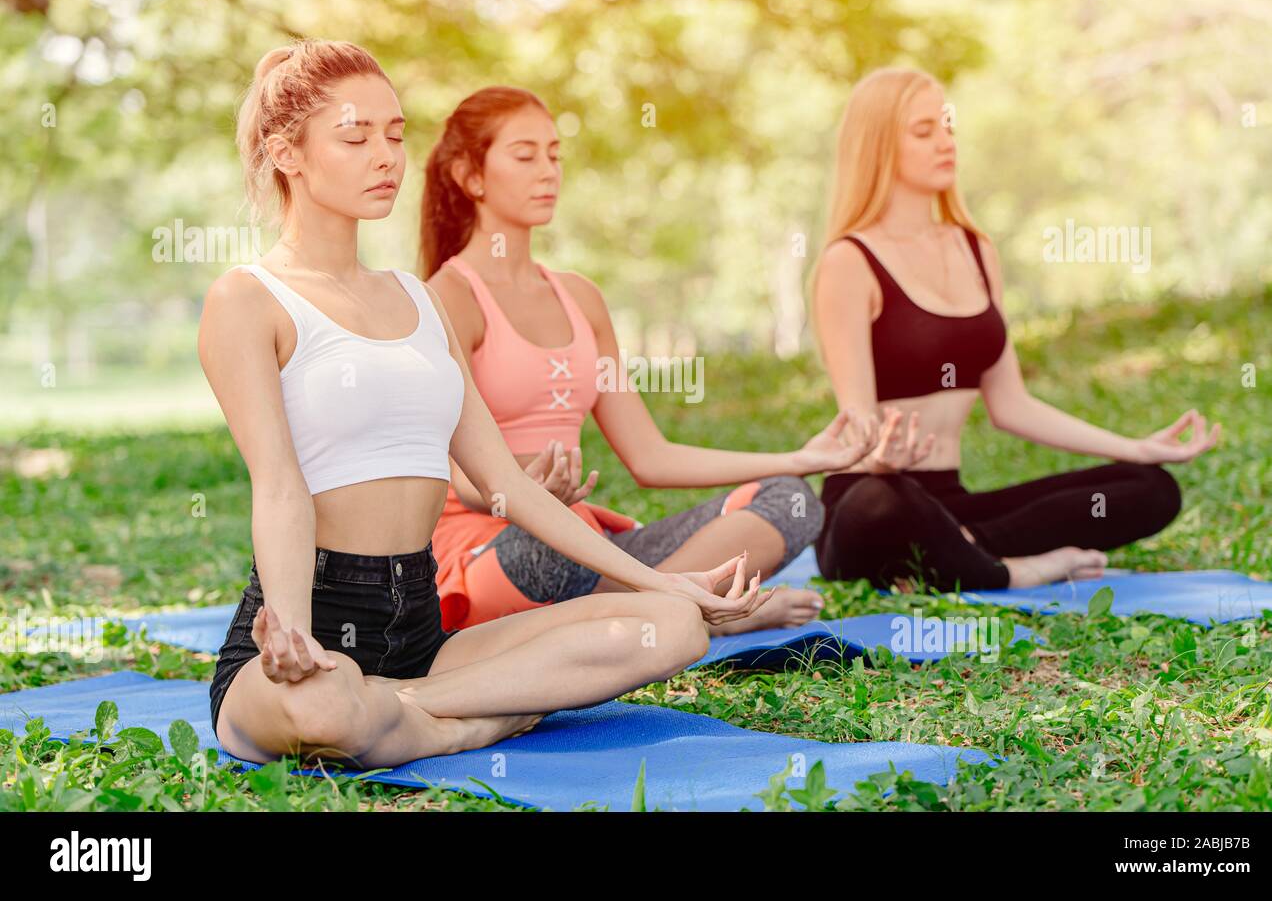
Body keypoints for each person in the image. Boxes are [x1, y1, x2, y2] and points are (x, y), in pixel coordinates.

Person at [201, 39, 779, 769]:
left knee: (671, 627)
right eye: (355, 137)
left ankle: (415, 715)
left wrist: (659, 579)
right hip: (317, 618)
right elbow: (280, 486)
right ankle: (479, 714)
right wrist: (289, 632)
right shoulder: (248, 300)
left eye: (395, 134)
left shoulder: (420, 299)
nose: (386, 156)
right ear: (287, 154)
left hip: (420, 628)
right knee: (327, 701)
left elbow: (506, 485)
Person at [420, 87, 875, 635]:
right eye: (525, 155)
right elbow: (458, 479)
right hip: (494, 551)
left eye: (555, 154)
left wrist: (799, 458)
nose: (548, 171)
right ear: (471, 176)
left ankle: (660, 613)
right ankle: (697, 609)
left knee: (788, 501)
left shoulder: (580, 299)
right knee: (554, 545)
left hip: (588, 546)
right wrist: (527, 492)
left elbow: (649, 456)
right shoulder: (447, 298)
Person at [809, 67, 1220, 592]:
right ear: (878, 144)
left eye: (949, 126)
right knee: (881, 501)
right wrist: (881, 460)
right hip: (873, 502)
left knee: (1150, 487)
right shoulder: (850, 261)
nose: (946, 142)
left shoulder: (976, 250)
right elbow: (858, 419)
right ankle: (1011, 570)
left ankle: (957, 548)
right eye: (923, 130)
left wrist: (1136, 447)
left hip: (950, 503)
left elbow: (1011, 406)